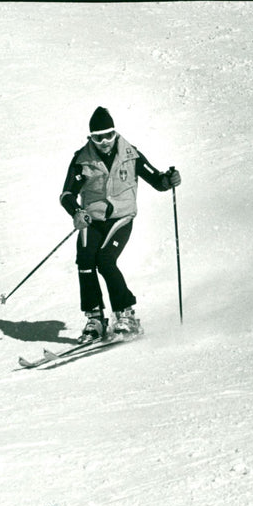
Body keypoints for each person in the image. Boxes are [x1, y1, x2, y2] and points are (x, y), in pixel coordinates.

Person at [59, 106, 182, 343]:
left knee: (105, 260)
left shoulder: (130, 154)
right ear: (90, 137)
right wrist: (76, 212)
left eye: (108, 135)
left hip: (121, 218)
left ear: (115, 133)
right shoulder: (82, 159)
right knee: (85, 259)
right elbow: (66, 195)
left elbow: (157, 180)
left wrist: (169, 179)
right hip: (92, 219)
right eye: (98, 137)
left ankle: (126, 314)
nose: (104, 141)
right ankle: (95, 318)